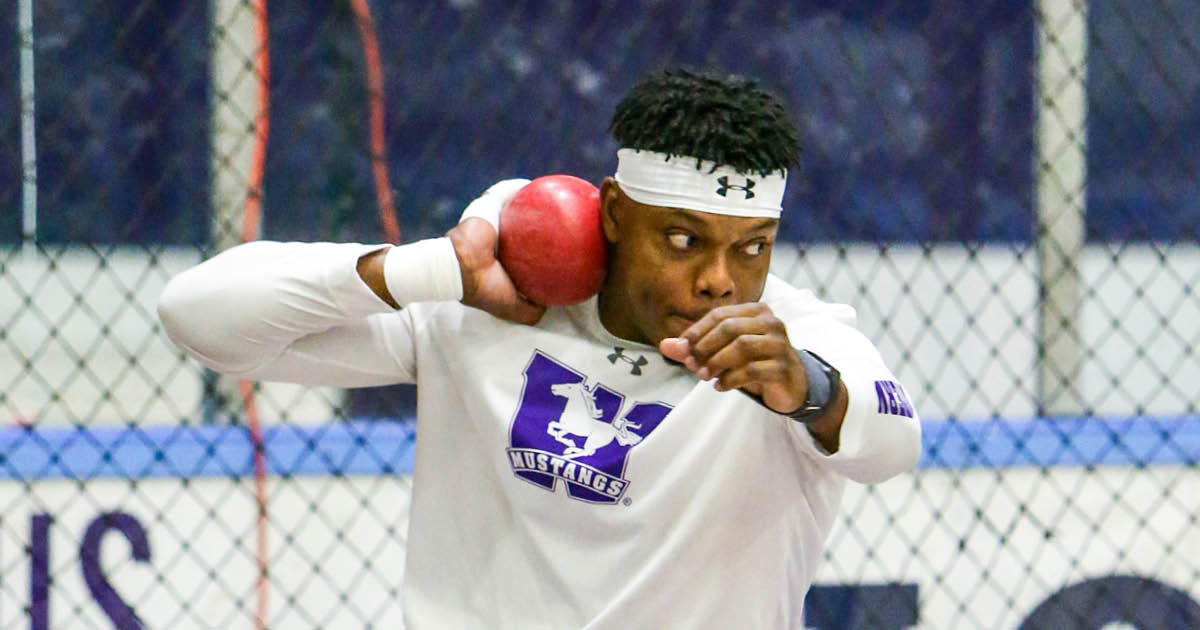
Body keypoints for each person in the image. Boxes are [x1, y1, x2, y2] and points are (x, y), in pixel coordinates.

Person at [159, 67, 921, 629]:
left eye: (752, 249)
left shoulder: (785, 344)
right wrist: (430, 271)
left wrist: (810, 388)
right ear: (615, 212)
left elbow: (894, 442)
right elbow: (197, 316)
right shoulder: (489, 313)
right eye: (685, 242)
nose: (720, 282)